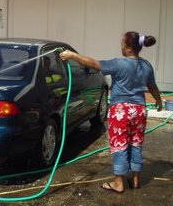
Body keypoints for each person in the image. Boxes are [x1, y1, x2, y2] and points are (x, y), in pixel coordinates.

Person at [59, 31, 163, 193]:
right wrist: (158, 101)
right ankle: (135, 179)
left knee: (119, 144)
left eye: (123, 44)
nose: (121, 46)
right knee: (136, 143)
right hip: (139, 110)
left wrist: (72, 55)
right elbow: (153, 87)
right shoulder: (146, 65)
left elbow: (93, 63)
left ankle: (119, 183)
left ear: (129, 49)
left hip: (121, 111)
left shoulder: (118, 64)